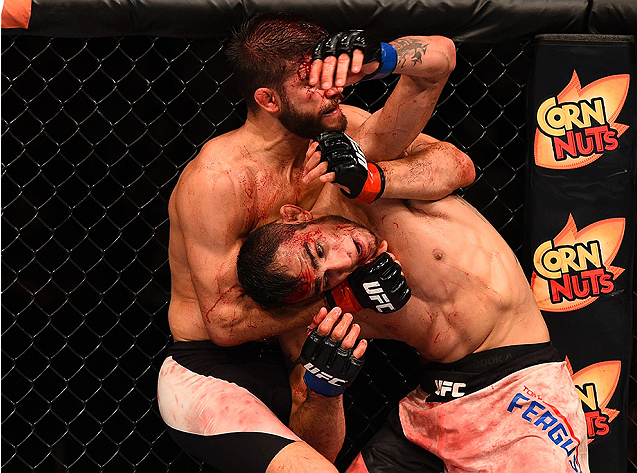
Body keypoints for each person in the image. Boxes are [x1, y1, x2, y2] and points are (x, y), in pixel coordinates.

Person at [157, 11, 472, 473]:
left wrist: (372, 179)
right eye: (312, 81)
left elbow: (454, 163)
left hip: (302, 359)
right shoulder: (220, 178)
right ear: (268, 98)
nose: (334, 89)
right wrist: (349, 293)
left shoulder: (335, 132)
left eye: (333, 74)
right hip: (211, 370)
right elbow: (224, 321)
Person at [237, 135, 591, 473]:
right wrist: (324, 388)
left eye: (318, 250)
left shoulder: (355, 176)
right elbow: (312, 457)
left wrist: (376, 178)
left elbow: (458, 165)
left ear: (299, 216)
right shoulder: (321, 316)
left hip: (521, 393)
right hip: (434, 406)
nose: (341, 262)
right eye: (324, 281)